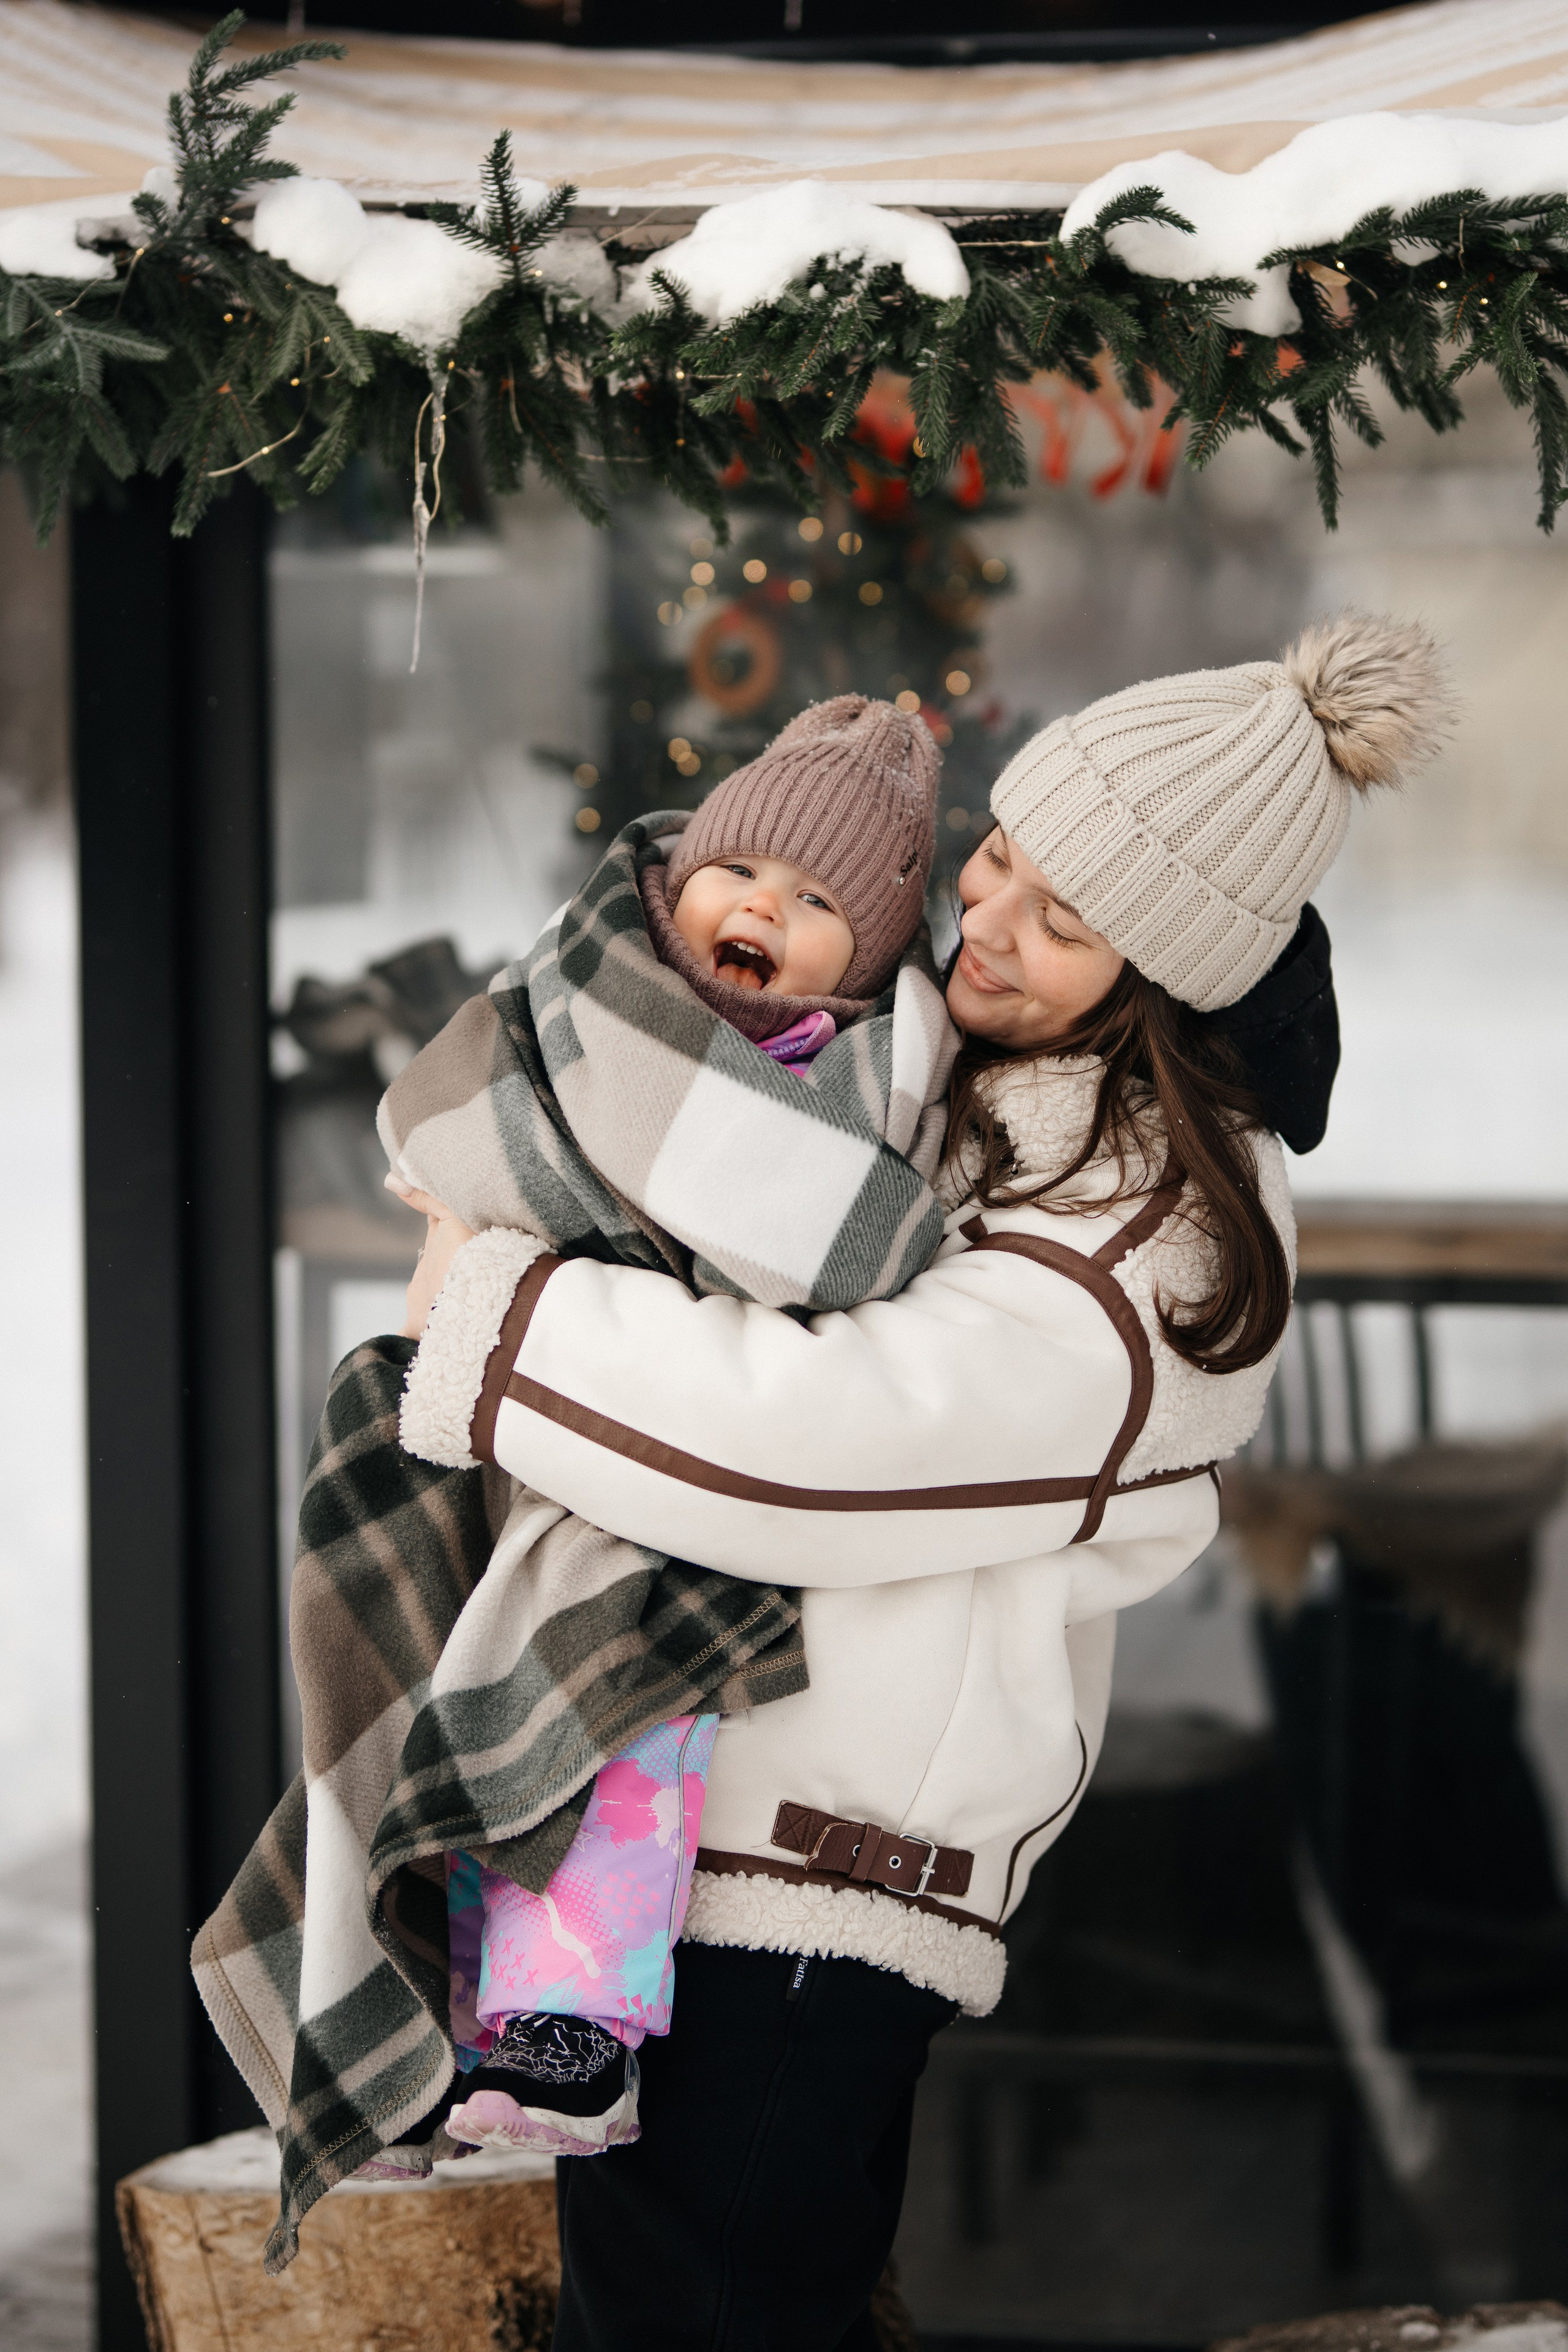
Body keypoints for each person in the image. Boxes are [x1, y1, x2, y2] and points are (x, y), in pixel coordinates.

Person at [394, 611, 1450, 2351]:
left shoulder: (1156, 1242)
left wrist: (497, 1313)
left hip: (807, 1898)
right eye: (1002, 857)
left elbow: (813, 1445)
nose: (990, 919)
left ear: (1169, 973)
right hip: (692, 1850)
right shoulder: (968, 1084)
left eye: (1064, 920)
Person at [377, 694, 956, 2161]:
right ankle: (462, 2008)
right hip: (520, 1425)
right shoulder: (584, 988)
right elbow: (454, 1103)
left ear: (864, 962)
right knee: (455, 1689)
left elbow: (841, 1237)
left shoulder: (842, 1074)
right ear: (675, 881)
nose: (760, 908)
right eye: (737, 873)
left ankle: (574, 2019)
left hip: (658, 1452)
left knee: (624, 1721)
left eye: (816, 904)